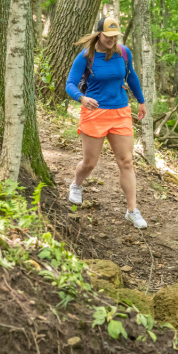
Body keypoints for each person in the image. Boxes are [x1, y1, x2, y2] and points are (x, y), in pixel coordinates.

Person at [65, 17, 148, 229]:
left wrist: (141, 101)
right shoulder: (86, 57)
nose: (112, 40)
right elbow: (70, 84)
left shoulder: (124, 52)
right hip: (95, 113)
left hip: (120, 112)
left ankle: (132, 210)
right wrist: (82, 98)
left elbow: (131, 77)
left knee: (126, 161)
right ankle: (76, 184)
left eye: (115, 36)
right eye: (108, 36)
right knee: (90, 163)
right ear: (98, 34)